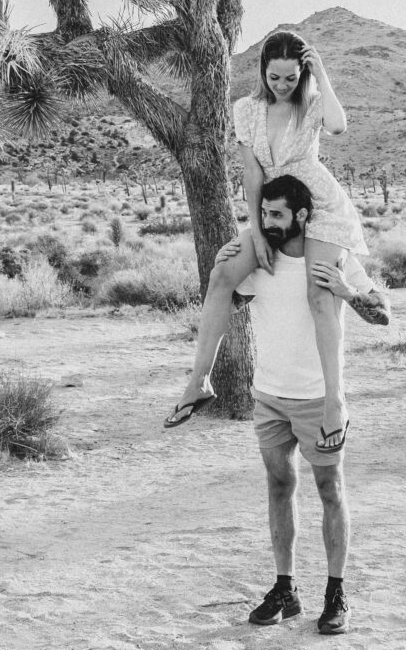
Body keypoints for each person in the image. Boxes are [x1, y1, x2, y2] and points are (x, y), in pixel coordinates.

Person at [166, 175, 390, 633]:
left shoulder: (332, 255)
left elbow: (383, 312)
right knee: (279, 487)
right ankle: (285, 588)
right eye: (262, 213)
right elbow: (227, 300)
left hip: (317, 400)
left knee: (331, 491)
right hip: (268, 397)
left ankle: (336, 593)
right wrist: (221, 265)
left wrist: (347, 292)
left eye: (275, 215)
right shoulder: (260, 261)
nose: (265, 223)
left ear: (302, 216)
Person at [168, 30, 369, 450]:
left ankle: (335, 402)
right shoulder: (246, 109)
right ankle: (200, 380)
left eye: (291, 78)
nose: (282, 85)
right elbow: (252, 173)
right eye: (275, 77)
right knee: (223, 274)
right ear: (263, 71)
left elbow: (338, 126)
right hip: (274, 209)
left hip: (320, 207)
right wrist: (256, 233)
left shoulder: (313, 105)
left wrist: (322, 76)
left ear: (302, 74)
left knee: (319, 295)